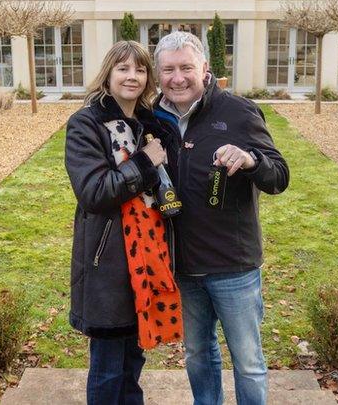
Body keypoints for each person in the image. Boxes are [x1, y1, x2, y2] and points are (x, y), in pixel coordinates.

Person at [152, 31, 290, 405]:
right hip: (183, 265)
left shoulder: (238, 111)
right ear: (157, 73)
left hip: (233, 266)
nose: (177, 78)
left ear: (205, 69)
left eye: (186, 68)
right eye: (168, 69)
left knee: (247, 361)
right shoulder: (152, 119)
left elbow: (279, 176)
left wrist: (251, 161)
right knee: (198, 355)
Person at [65, 40, 183, 405]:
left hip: (148, 259)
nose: (132, 76)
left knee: (133, 362)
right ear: (109, 74)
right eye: (123, 68)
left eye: (140, 69)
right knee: (108, 369)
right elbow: (94, 192)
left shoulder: (151, 126)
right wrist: (145, 163)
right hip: (110, 263)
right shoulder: (87, 124)